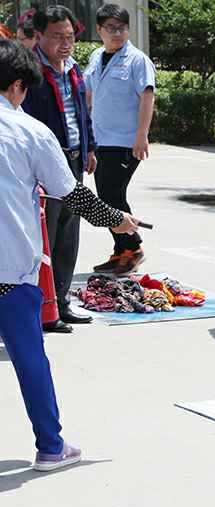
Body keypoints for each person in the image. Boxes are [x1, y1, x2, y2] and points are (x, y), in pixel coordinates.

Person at [0, 39, 139, 471]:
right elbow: (71, 193)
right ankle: (50, 446)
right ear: (18, 86)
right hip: (9, 267)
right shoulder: (29, 131)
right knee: (29, 357)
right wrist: (117, 220)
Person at [21, 5, 97, 335]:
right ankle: (41, 309)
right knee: (45, 239)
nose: (65, 44)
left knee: (68, 234)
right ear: (39, 35)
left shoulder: (73, 69)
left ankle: (61, 302)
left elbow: (82, 111)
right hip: (44, 164)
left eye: (70, 37)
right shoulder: (29, 71)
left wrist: (89, 147)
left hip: (74, 159)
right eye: (57, 37)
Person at [84, 3, 155, 276]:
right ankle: (121, 251)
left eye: (122, 28)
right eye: (111, 28)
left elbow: (147, 97)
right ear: (99, 30)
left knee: (112, 196)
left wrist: (142, 135)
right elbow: (89, 94)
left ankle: (133, 248)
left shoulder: (137, 60)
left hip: (125, 141)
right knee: (107, 197)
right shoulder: (96, 57)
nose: (117, 33)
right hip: (100, 139)